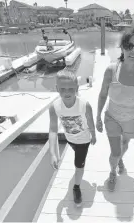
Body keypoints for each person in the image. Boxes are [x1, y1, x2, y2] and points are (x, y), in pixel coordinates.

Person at [96, 28, 134, 192]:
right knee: (115, 152)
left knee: (125, 143)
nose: (133, 50)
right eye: (128, 45)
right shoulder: (111, 70)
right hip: (113, 117)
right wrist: (97, 116)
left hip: (133, 118)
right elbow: (103, 94)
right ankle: (112, 172)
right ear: (122, 47)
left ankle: (119, 160)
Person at [49, 70, 97, 206]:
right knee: (76, 153)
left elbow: (90, 121)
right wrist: (52, 153)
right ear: (57, 89)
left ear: (77, 88)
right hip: (70, 139)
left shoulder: (84, 105)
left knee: (78, 165)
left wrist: (93, 134)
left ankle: (76, 187)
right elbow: (53, 130)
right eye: (62, 89)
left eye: (71, 88)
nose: (67, 92)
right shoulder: (54, 107)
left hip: (83, 140)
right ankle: (78, 167)